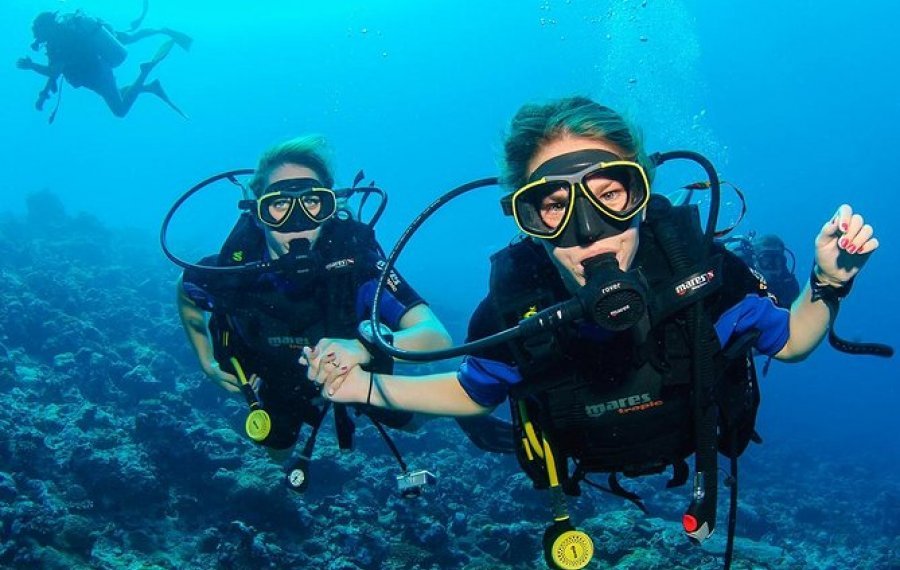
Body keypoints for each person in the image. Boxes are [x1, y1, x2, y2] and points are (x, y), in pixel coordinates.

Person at [305, 97, 880, 567]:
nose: (587, 232)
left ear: (642, 194)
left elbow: (793, 341)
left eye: (609, 194)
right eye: (553, 206)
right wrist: (364, 389)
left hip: (694, 444)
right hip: (580, 465)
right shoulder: (514, 307)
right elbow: (473, 390)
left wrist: (827, 283)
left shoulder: (704, 274)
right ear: (526, 220)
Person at [176, 135, 511, 487]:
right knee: (274, 451)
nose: (298, 222)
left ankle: (456, 413)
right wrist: (209, 364)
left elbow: (434, 336)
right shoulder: (231, 273)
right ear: (258, 213)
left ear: (330, 206)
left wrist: (363, 348)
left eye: (312, 202)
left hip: (357, 372)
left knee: (410, 421)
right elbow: (185, 293)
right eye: (279, 205)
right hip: (276, 377)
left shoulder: (358, 267)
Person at [16, 8, 191, 120]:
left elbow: (54, 72)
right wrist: (44, 94)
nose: (37, 37)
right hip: (96, 66)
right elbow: (54, 72)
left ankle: (144, 72)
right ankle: (160, 34)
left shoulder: (60, 41)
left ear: (46, 27)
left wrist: (31, 66)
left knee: (120, 110)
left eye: (38, 31)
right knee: (128, 37)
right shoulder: (58, 40)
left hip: (97, 73)